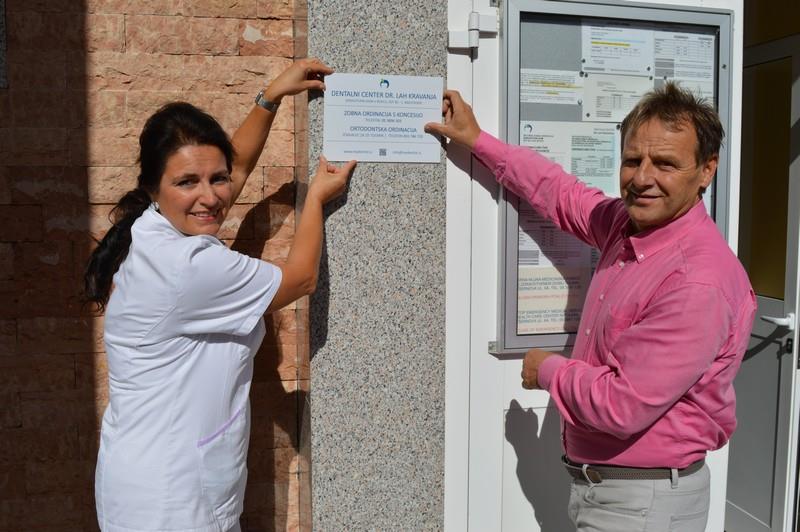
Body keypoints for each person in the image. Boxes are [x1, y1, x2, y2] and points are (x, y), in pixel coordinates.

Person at [425, 83, 756, 531]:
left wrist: (548, 370)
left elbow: (623, 405)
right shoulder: (626, 225)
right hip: (612, 492)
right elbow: (561, 194)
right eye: (632, 160)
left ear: (706, 170)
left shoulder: (697, 282)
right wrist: (478, 140)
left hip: (644, 505)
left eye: (665, 164)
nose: (642, 178)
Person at [84, 58, 356, 532]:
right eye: (186, 182)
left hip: (149, 480)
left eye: (216, 178)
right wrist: (314, 199)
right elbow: (299, 280)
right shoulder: (187, 267)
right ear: (152, 187)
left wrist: (271, 97)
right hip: (170, 501)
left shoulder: (152, 228)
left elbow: (236, 170)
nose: (209, 196)